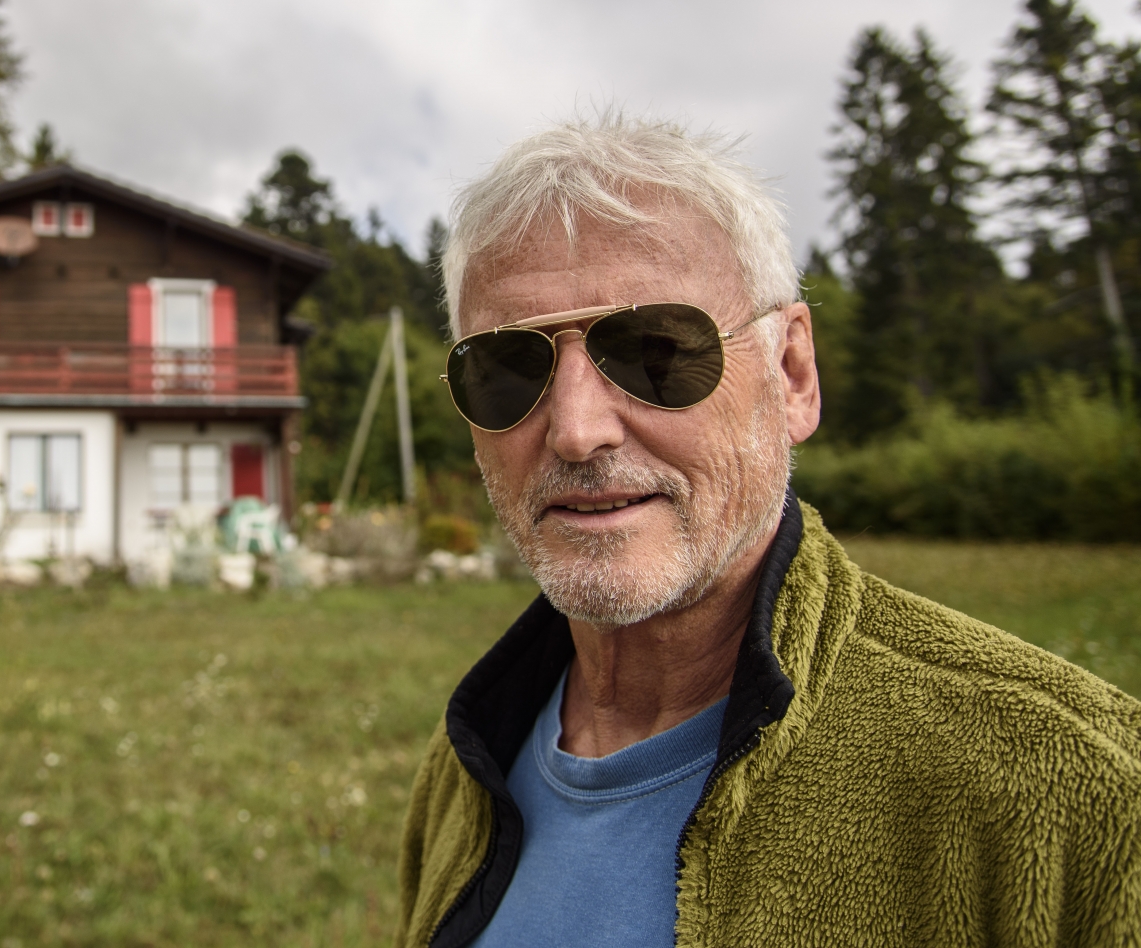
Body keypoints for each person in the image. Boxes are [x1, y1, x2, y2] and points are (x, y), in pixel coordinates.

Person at [394, 115, 1141, 947]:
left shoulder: (1069, 796)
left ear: (791, 373)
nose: (575, 431)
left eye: (654, 351)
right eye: (506, 370)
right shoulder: (465, 761)